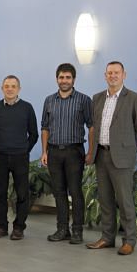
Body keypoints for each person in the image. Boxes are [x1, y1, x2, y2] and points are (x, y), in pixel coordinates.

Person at [86, 61, 137, 255]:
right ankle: (107, 238)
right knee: (105, 200)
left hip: (121, 158)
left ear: (124, 75)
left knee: (125, 200)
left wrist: (129, 151)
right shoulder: (96, 98)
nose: (112, 76)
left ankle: (129, 240)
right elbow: (94, 127)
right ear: (105, 76)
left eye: (116, 73)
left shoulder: (134, 98)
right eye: (109, 73)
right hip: (101, 156)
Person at [41, 63, 93, 244]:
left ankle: (77, 231)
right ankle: (62, 229)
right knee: (59, 192)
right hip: (54, 152)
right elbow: (45, 128)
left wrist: (91, 151)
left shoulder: (83, 100)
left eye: (68, 77)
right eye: (61, 77)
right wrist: (44, 151)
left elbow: (91, 126)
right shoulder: (49, 100)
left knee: (76, 191)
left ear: (73, 79)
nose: (64, 81)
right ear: (57, 79)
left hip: (74, 152)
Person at [0, 75, 38, 240]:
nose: (10, 89)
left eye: (13, 86)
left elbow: (34, 134)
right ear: (2, 88)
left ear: (19, 89)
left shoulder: (27, 108)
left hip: (20, 157)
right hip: (0, 156)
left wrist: (24, 149)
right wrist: (2, 145)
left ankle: (19, 227)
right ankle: (1, 226)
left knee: (22, 193)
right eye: (7, 86)